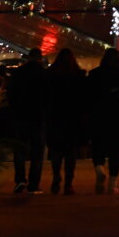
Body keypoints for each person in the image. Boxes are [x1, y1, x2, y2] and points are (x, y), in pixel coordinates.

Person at [87, 48, 119, 194]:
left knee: (98, 147)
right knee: (116, 151)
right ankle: (112, 183)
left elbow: (88, 96)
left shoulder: (95, 74)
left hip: (99, 116)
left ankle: (99, 167)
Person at [45, 48, 87, 195]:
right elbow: (84, 99)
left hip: (55, 117)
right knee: (70, 152)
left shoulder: (50, 75)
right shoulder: (78, 76)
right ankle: (69, 182)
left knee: (56, 150)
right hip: (72, 118)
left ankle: (56, 175)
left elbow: (45, 97)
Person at [5, 48, 47, 193]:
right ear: (40, 58)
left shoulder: (18, 73)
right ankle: (34, 184)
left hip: (20, 116)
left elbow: (10, 93)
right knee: (37, 152)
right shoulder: (43, 74)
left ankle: (20, 179)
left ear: (28, 58)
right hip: (38, 116)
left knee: (20, 150)